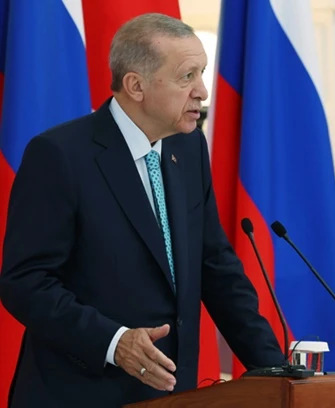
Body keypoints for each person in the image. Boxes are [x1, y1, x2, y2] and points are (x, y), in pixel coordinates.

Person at [0, 13, 285, 407]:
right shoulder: (60, 155)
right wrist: (114, 342)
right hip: (80, 393)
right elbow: (26, 281)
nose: (202, 91)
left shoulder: (188, 147)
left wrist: (275, 371)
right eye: (187, 77)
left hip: (170, 393)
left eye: (202, 73)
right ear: (136, 85)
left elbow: (215, 267)